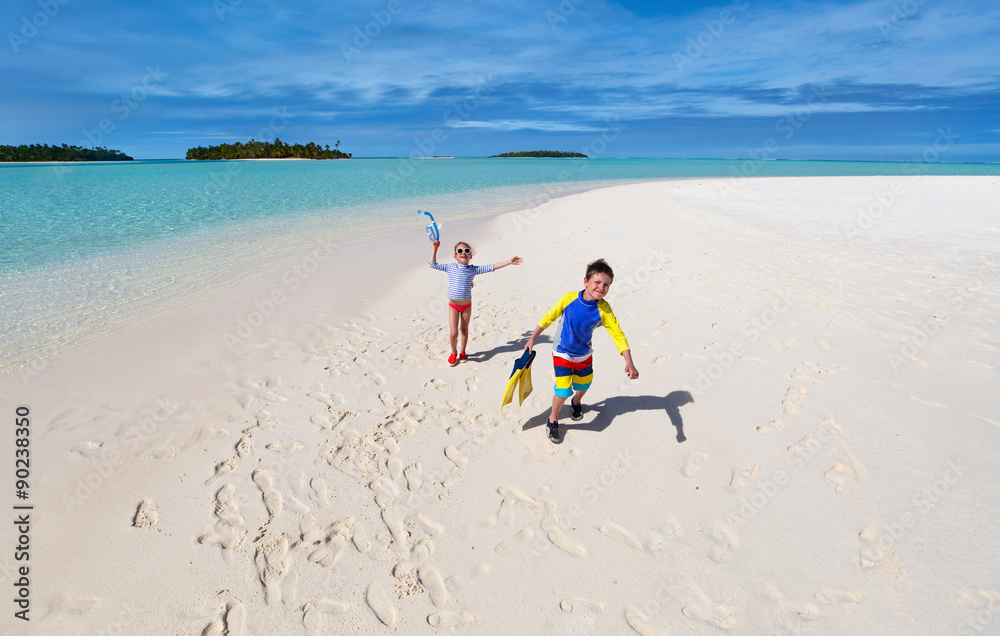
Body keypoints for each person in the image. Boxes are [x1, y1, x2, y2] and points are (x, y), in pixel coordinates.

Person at [524, 258, 638, 442]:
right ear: (586, 281)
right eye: (597, 282)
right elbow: (548, 317)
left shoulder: (604, 309)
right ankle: (553, 418)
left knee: (584, 384)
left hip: (584, 354)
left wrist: (629, 361)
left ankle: (576, 402)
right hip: (562, 351)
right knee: (562, 390)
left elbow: (618, 334)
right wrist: (532, 339)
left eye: (606, 285)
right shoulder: (569, 298)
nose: (601, 287)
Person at [430, 240, 522, 365]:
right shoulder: (450, 267)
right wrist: (435, 248)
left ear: (470, 256)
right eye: (460, 251)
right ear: (455, 256)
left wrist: (508, 262)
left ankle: (462, 352)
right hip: (453, 306)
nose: (463, 253)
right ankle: (453, 352)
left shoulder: (473, 269)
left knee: (464, 330)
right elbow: (433, 264)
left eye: (467, 251)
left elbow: (491, 267)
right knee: (453, 333)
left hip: (466, 307)